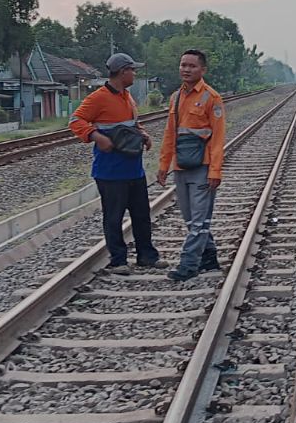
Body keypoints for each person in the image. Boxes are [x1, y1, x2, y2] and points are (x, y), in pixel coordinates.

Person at [69, 53, 164, 274]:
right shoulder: (98, 98)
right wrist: (95, 136)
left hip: (134, 169)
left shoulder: (127, 97)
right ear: (123, 72)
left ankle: (146, 256)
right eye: (133, 70)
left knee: (141, 214)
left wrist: (143, 134)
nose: (135, 74)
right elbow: (75, 121)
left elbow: (131, 124)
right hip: (110, 171)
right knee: (114, 217)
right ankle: (118, 260)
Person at [157, 49, 226, 282]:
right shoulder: (175, 97)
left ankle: (188, 265)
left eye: (192, 66)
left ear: (202, 70)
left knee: (199, 221)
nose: (186, 69)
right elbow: (170, 134)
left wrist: (215, 171)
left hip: (202, 167)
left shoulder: (211, 98)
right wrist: (163, 165)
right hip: (181, 167)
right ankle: (209, 258)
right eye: (183, 65)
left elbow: (218, 137)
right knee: (190, 219)